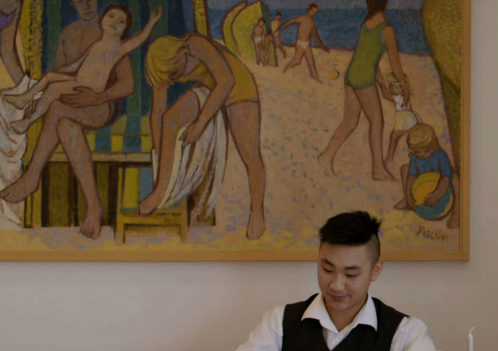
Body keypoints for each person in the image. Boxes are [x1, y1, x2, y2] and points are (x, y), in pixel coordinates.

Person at [208, 210, 459, 351]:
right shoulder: (281, 321)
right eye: (327, 269)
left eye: (351, 274)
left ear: (376, 271)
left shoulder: (402, 329)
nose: (336, 284)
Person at [0, 0, 136, 239]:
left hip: (101, 107)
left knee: (58, 111)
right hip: (70, 105)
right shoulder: (67, 34)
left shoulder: (110, 37)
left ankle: (31, 177)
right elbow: (60, 73)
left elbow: (127, 84)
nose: (86, 5)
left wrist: (98, 96)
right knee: (61, 117)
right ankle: (93, 207)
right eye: (79, 0)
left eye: (90, 0)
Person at [142, 33, 266, 240]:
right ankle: (160, 191)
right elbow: (158, 113)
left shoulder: (195, 45)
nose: (175, 76)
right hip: (209, 88)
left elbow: (226, 81)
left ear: (179, 52)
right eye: (171, 75)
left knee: (250, 154)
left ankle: (257, 212)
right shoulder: (162, 67)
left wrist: (200, 124)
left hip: (238, 87)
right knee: (170, 120)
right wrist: (160, 150)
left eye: (176, 70)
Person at [6, 5, 161, 134]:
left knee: (53, 89)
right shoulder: (96, 45)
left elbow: (139, 39)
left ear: (125, 29)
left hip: (89, 87)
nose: (114, 22)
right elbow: (78, 65)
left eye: (121, 21)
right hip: (78, 80)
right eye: (111, 16)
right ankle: (24, 99)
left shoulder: (118, 48)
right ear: (102, 20)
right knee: (50, 77)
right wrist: (61, 71)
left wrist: (151, 23)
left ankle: (26, 122)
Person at [317, 0, 408, 180]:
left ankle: (326, 155)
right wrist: (405, 89)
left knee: (350, 121)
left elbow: (366, 57)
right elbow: (395, 65)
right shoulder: (387, 29)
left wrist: (382, 85)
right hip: (363, 79)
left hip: (351, 75)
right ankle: (377, 169)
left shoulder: (366, 24)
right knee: (377, 122)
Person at [398, 123, 459, 228]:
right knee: (405, 169)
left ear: (433, 144)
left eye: (427, 150)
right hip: (424, 182)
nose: (422, 154)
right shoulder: (415, 158)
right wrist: (409, 195)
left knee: (455, 179)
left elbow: (445, 177)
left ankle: (457, 214)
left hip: (442, 186)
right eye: (417, 151)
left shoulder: (440, 156)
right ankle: (406, 200)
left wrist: (437, 195)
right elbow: (412, 176)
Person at [378, 71, 419, 163]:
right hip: (410, 117)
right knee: (397, 137)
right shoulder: (405, 96)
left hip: (404, 118)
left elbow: (385, 95)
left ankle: (390, 157)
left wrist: (381, 84)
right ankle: (391, 157)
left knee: (394, 137)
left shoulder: (399, 97)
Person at [280, 3, 326, 82]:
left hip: (307, 44)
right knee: (297, 61)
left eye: (315, 12)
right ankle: (286, 68)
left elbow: (315, 35)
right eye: (313, 11)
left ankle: (315, 77)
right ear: (309, 10)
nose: (314, 13)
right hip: (300, 43)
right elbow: (292, 21)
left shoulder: (312, 22)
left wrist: (322, 46)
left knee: (311, 62)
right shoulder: (302, 18)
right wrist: (283, 26)